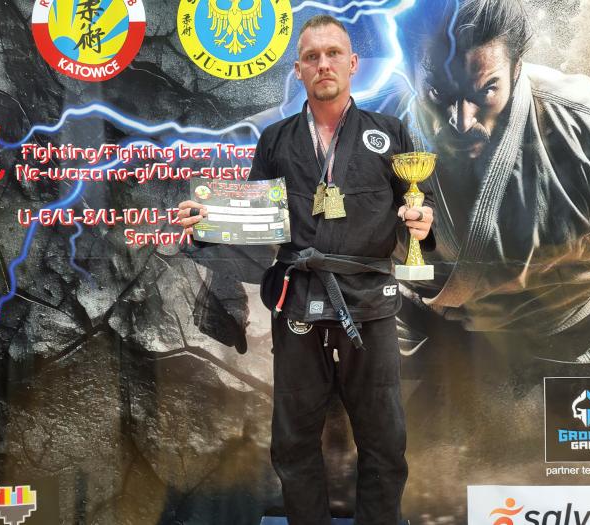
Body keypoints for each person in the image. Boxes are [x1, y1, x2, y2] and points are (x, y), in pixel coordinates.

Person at [178, 14, 434, 525]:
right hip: (297, 300)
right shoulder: (276, 140)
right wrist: (209, 221)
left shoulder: (389, 133)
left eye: (333, 53)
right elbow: (254, 221)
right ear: (298, 70)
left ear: (353, 63)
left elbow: (420, 209)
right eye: (312, 57)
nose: (324, 64)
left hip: (370, 302)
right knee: (293, 442)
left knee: (385, 441)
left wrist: (422, 224)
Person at [394, 0, 590, 376]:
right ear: (409, 69)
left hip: (570, 341)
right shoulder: (372, 132)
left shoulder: (588, 128)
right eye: (437, 92)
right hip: (427, 340)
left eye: (486, 90)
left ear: (516, 69)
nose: (461, 121)